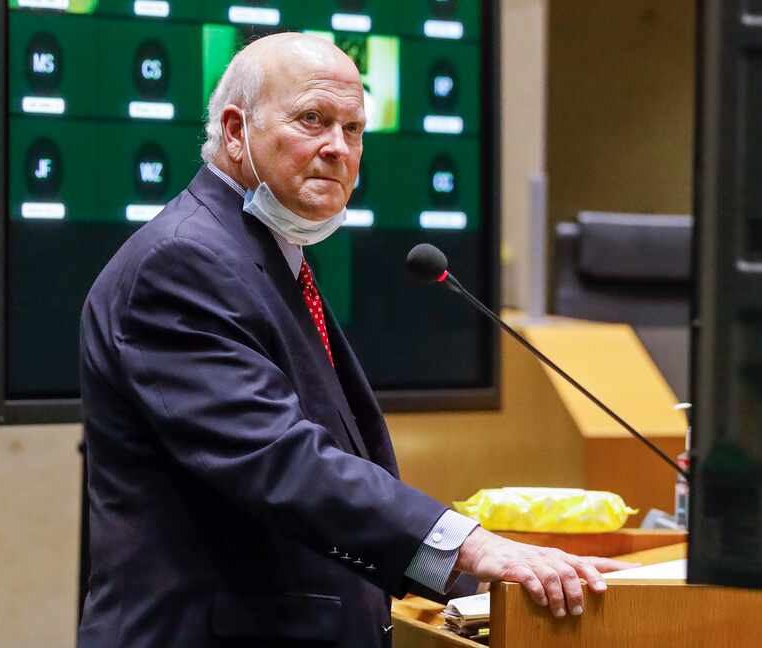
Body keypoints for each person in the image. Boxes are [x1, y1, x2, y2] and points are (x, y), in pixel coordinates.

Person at [77, 33, 632, 648]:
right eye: (312, 120)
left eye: (354, 128)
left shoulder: (262, 252)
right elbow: (281, 462)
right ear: (235, 132)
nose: (337, 148)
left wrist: (471, 584)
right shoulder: (184, 261)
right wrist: (471, 546)